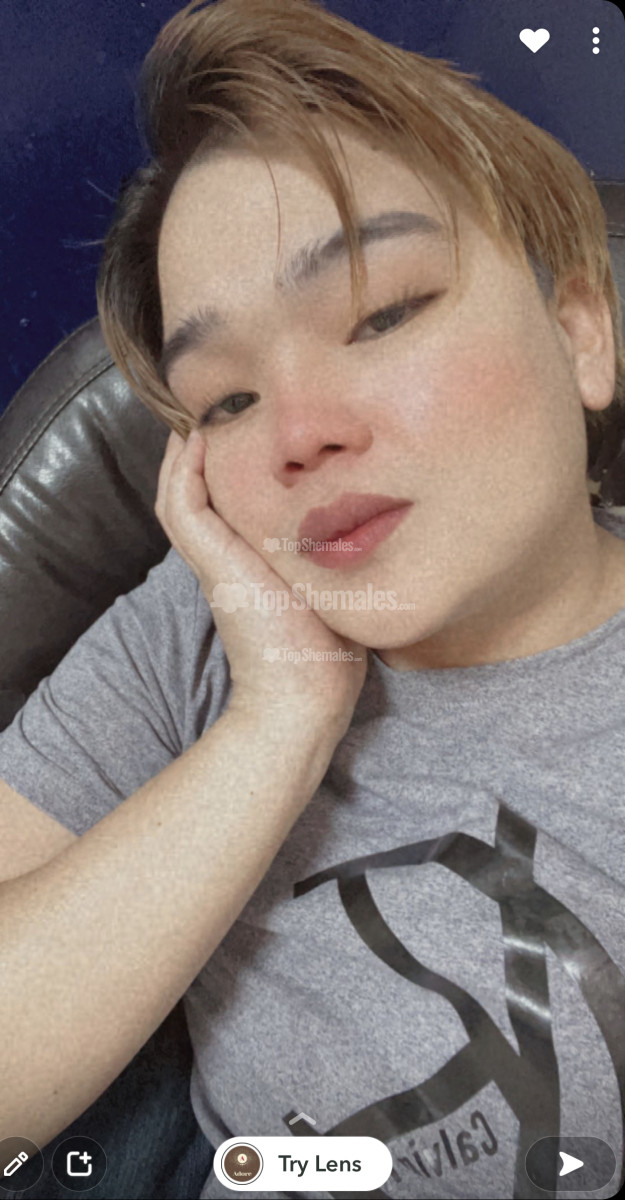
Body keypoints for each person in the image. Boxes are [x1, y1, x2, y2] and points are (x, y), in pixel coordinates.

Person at [1, 0, 624, 1196]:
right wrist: (278, 712)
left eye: (382, 315)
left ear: (580, 332)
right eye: (226, 401)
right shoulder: (199, 625)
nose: (296, 434)